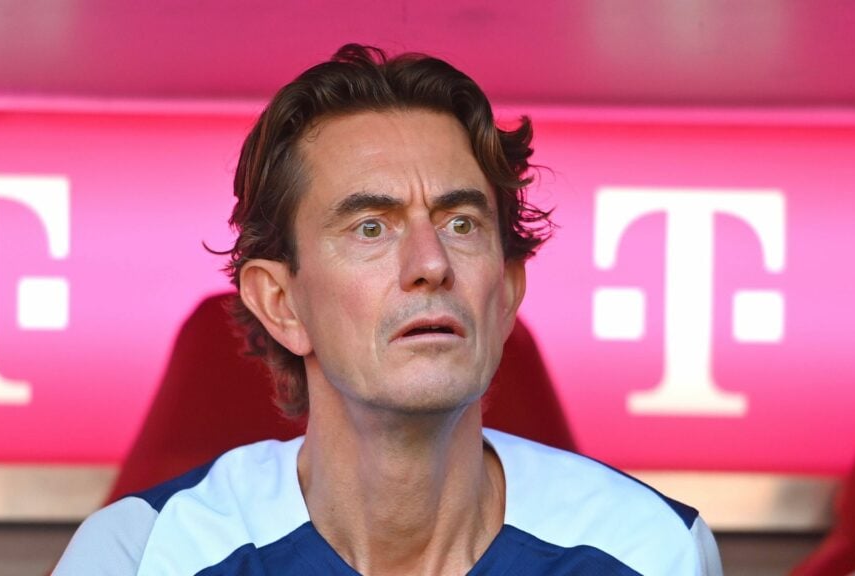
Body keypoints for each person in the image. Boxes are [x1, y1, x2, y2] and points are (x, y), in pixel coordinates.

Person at [53, 44, 722, 575]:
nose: (431, 263)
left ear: (507, 292)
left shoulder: (647, 550)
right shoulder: (144, 556)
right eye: (370, 228)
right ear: (281, 304)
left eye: (461, 223)